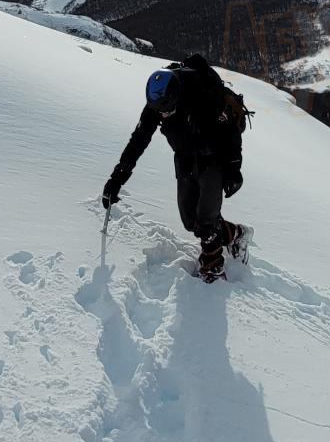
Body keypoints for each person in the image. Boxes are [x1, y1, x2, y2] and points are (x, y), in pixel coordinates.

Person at [102, 53, 248, 281]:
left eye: (167, 111)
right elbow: (138, 139)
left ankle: (212, 273)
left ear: (177, 97)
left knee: (206, 223)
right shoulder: (157, 102)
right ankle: (236, 234)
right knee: (190, 221)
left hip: (214, 158)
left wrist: (233, 171)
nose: (163, 115)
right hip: (185, 157)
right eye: (160, 112)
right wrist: (116, 180)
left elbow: (230, 134)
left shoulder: (204, 96)